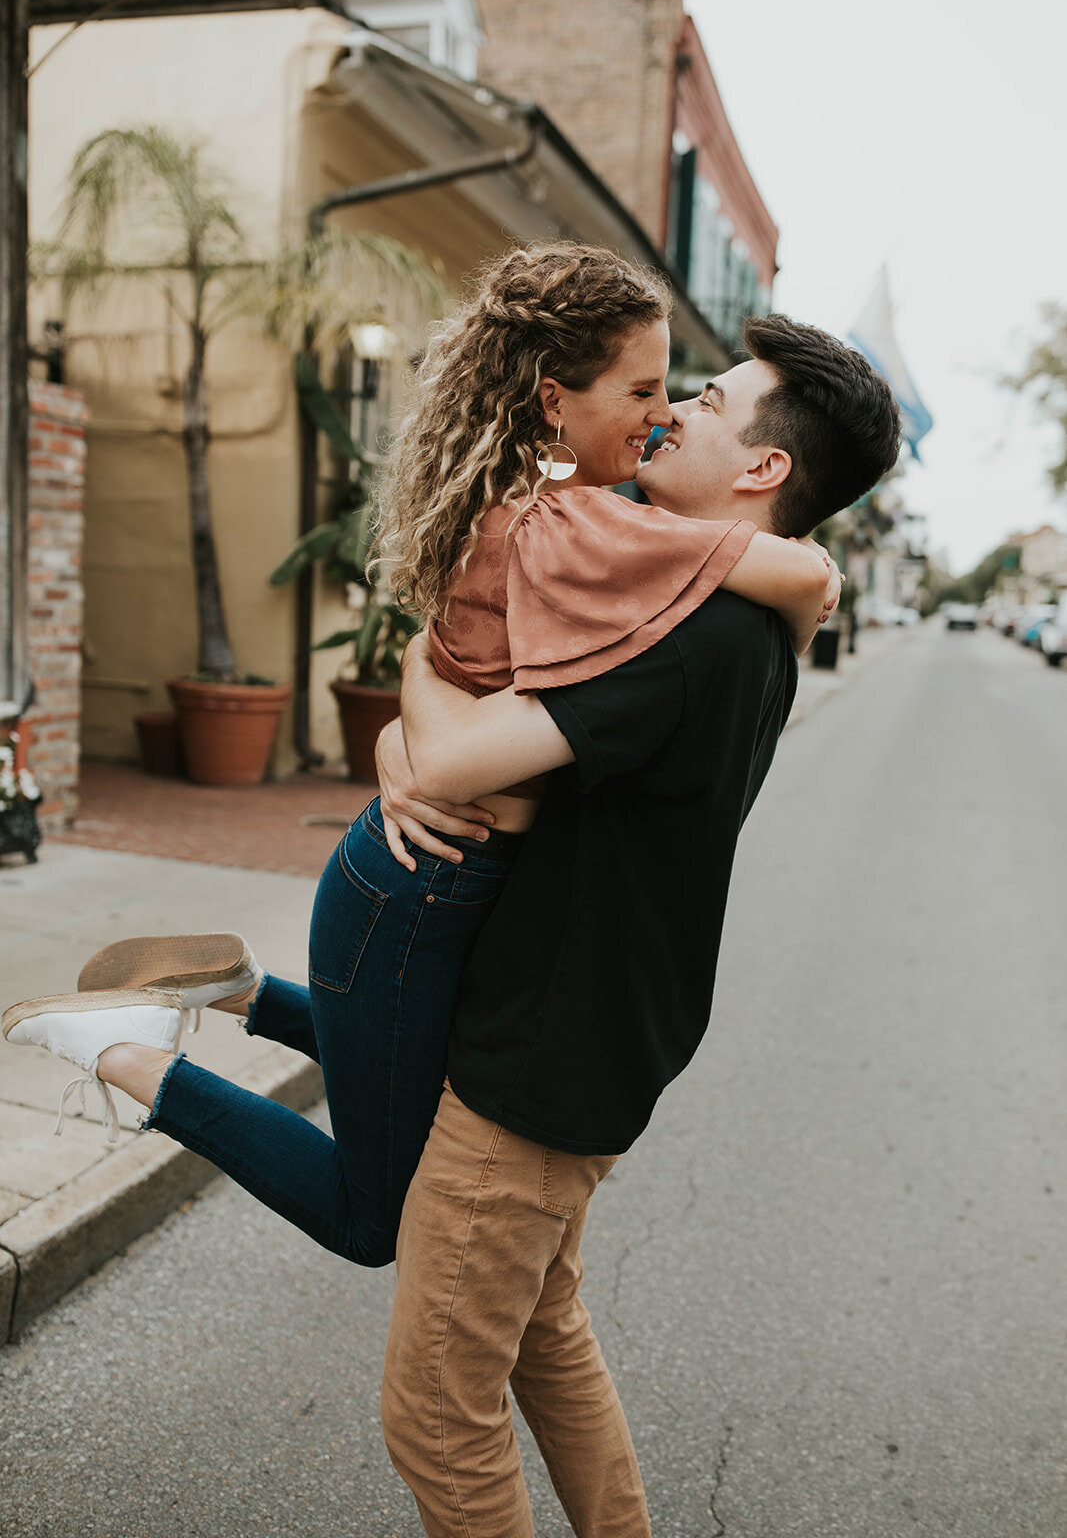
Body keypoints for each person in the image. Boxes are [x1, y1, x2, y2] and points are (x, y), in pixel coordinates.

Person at [1, 245, 836, 1271]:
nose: (662, 411)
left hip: (425, 874)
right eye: (644, 388)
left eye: (677, 393)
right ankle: (118, 1051)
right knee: (369, 1220)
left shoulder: (533, 500)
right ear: (552, 399)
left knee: (402, 1066)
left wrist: (405, 731)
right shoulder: (579, 525)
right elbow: (794, 575)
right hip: (424, 882)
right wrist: (813, 571)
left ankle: (237, 989)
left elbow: (439, 654)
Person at [370, 312, 902, 1537]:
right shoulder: (740, 616)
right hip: (604, 1040)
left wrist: (411, 698)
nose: (674, 410)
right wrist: (421, 746)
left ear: (763, 468)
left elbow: (454, 758)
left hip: (538, 1064)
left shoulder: (691, 633)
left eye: (709, 401)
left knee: (436, 1415)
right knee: (543, 1336)